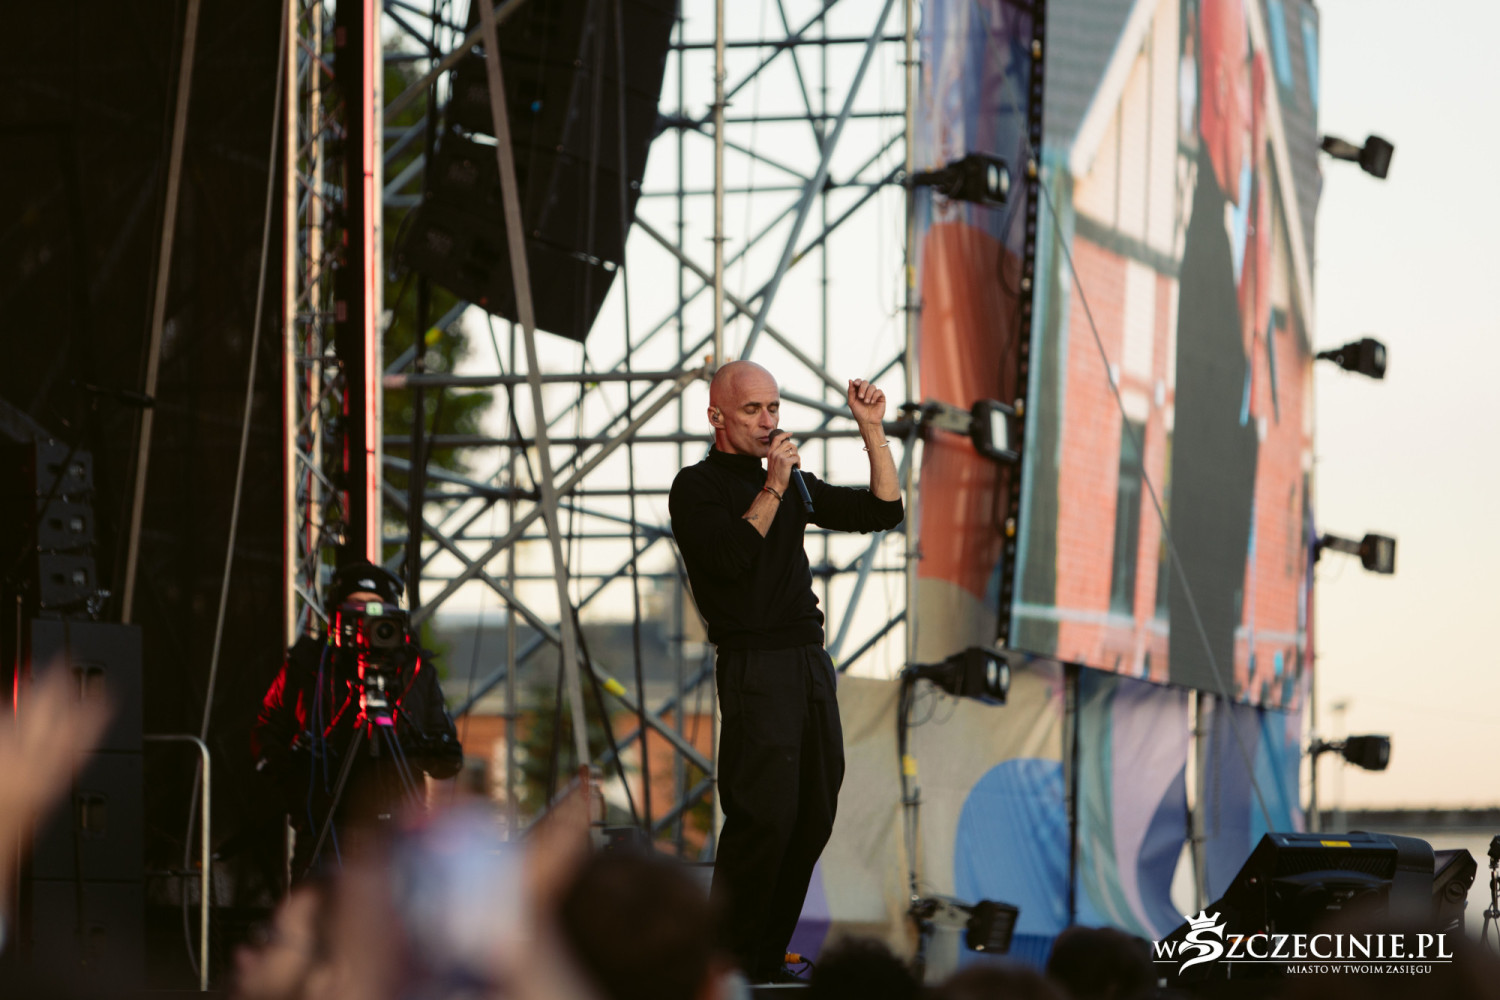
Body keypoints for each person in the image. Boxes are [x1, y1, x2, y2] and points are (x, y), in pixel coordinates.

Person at [669, 360, 904, 983]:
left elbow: (883, 511)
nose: (767, 421)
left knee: (812, 812)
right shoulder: (697, 486)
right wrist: (773, 486)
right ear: (717, 416)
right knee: (763, 816)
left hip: (807, 658)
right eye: (752, 410)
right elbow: (729, 557)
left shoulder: (793, 481)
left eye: (773, 408)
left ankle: (766, 954)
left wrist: (872, 430)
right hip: (755, 663)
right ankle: (725, 963)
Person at [251, 561, 462, 877]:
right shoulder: (308, 665)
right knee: (319, 906)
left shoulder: (415, 671)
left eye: (376, 611)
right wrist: (294, 769)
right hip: (326, 829)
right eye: (355, 610)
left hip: (399, 835)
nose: (366, 622)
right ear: (335, 615)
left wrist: (429, 747)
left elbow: (446, 760)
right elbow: (267, 733)